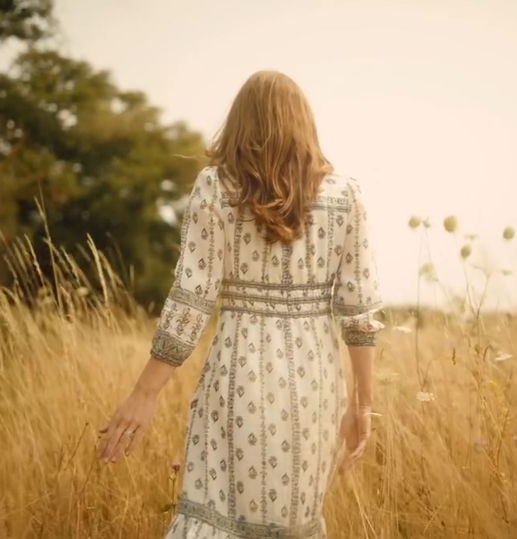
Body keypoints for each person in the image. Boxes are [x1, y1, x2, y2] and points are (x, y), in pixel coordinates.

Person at [97, 69, 384, 538]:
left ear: (241, 123)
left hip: (239, 376)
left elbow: (191, 301)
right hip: (315, 385)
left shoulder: (215, 188)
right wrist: (362, 403)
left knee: (214, 518)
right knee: (293, 524)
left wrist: (145, 393)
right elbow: (360, 312)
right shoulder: (346, 196)